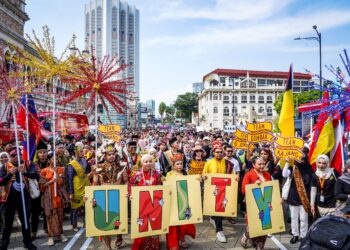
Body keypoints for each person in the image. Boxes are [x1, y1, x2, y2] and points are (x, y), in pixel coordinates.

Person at [88, 143, 128, 249]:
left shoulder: (122, 166)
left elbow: (126, 181)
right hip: (104, 199)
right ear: (104, 156)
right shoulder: (98, 168)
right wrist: (93, 198)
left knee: (118, 222)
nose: (111, 156)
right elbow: (95, 184)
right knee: (105, 224)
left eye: (113, 154)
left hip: (118, 198)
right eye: (109, 154)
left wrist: (127, 193)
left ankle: (119, 238)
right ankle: (108, 246)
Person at [0, 149, 38, 250]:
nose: (16, 158)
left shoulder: (28, 164)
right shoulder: (5, 166)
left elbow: (36, 175)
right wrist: (8, 174)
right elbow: (0, 181)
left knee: (25, 221)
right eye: (13, 156)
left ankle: (28, 242)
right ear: (10, 157)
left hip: (24, 198)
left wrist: (25, 172)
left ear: (21, 155)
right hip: (9, 200)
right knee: (7, 224)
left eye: (18, 155)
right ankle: (4, 245)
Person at [202, 141, 234, 243]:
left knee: (219, 209)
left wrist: (235, 179)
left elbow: (232, 176)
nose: (219, 154)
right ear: (213, 153)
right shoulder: (209, 163)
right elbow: (204, 173)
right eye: (217, 152)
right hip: (212, 189)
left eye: (221, 152)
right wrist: (204, 176)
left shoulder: (228, 164)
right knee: (215, 209)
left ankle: (219, 229)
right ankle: (218, 228)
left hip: (224, 189)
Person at [129, 154, 162, 250]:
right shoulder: (137, 174)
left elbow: (160, 187)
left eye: (150, 161)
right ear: (142, 163)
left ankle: (153, 246)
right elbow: (131, 185)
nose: (148, 163)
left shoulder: (156, 174)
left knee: (154, 224)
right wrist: (131, 194)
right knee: (141, 225)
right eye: (146, 162)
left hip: (154, 205)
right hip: (141, 205)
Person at [240, 156, 272, 250]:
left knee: (265, 223)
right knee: (253, 224)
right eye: (259, 164)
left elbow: (271, 188)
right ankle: (246, 237)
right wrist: (254, 186)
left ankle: (260, 244)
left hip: (265, 203)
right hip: (254, 204)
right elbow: (243, 190)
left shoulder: (267, 174)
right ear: (253, 165)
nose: (262, 166)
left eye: (263, 163)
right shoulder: (249, 175)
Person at [165, 153, 196, 249]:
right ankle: (174, 242)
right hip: (173, 201)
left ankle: (182, 238)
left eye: (181, 164)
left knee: (183, 222)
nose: (179, 166)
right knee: (173, 223)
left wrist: (197, 179)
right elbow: (167, 187)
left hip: (183, 200)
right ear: (173, 165)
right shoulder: (169, 174)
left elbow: (190, 184)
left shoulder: (185, 174)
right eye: (177, 164)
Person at [282, 157, 314, 244]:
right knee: (293, 218)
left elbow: (312, 187)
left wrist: (311, 202)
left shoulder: (310, 171)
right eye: (298, 160)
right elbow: (284, 174)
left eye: (302, 160)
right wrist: (287, 162)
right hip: (293, 197)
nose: (300, 162)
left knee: (304, 219)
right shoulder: (293, 168)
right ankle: (295, 235)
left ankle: (303, 235)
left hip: (305, 198)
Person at [40, 156, 69, 246]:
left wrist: (58, 177)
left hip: (58, 196)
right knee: (50, 217)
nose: (55, 160)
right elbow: (42, 186)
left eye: (56, 159)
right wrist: (51, 181)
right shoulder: (44, 171)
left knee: (59, 215)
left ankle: (61, 234)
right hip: (48, 196)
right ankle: (50, 237)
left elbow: (62, 183)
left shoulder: (61, 169)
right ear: (49, 160)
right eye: (53, 159)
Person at [66, 142, 89, 232]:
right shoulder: (71, 164)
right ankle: (74, 224)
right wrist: (71, 192)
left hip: (85, 184)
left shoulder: (85, 161)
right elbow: (69, 179)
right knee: (74, 207)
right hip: (76, 187)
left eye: (82, 151)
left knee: (86, 206)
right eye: (80, 151)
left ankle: (86, 223)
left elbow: (87, 173)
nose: (82, 153)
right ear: (76, 152)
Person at [31, 139, 49, 239]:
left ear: (47, 153)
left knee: (47, 210)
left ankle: (47, 228)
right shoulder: (33, 165)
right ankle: (33, 231)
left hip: (47, 190)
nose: (42, 154)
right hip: (37, 191)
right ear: (37, 154)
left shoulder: (51, 162)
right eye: (40, 152)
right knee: (35, 212)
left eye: (44, 152)